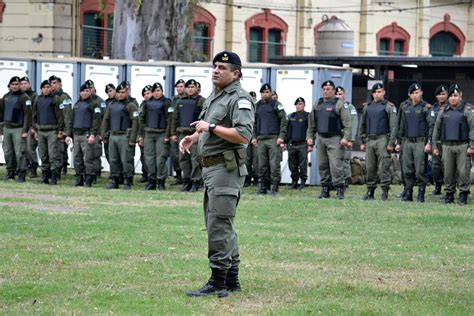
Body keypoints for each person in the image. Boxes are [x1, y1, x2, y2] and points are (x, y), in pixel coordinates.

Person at [181, 51, 254, 298]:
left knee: (218, 226)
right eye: (214, 66)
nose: (215, 70)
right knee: (222, 224)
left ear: (236, 73)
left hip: (226, 169)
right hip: (212, 169)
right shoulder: (215, 96)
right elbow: (207, 128)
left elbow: (243, 135)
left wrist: (211, 127)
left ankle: (218, 281)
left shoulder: (240, 99)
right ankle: (231, 279)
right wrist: (194, 136)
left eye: (222, 67)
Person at [306, 80, 352, 199]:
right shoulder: (318, 104)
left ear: (333, 90)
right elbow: (311, 123)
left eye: (329, 89)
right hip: (321, 138)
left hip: (335, 138)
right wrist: (310, 137)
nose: (326, 91)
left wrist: (346, 138)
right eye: (324, 89)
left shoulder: (339, 104)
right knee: (322, 165)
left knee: (336, 165)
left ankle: (339, 189)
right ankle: (325, 189)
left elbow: (347, 123)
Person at [432, 84, 474, 204]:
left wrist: (472, 146)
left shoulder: (467, 110)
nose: (453, 98)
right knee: (448, 171)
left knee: (463, 171)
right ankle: (449, 194)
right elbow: (437, 129)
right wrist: (435, 146)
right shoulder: (443, 111)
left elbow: (472, 129)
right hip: (447, 146)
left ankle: (463, 194)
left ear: (460, 95)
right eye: (451, 96)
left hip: (463, 146)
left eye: (455, 95)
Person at [358, 83, 397, 200]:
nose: (377, 94)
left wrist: (391, 143)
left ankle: (385, 190)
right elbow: (362, 125)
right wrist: (361, 140)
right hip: (370, 139)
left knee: (384, 166)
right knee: (370, 166)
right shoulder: (367, 107)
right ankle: (370, 190)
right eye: (375, 92)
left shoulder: (388, 107)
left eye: (379, 92)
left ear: (384, 92)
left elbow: (394, 126)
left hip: (382, 139)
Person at [395, 83, 431, 202]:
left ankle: (421, 194)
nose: (417, 95)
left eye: (419, 92)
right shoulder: (404, 106)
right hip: (406, 142)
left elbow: (431, 126)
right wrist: (398, 141)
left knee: (420, 169)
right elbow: (400, 124)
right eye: (414, 93)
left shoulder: (426, 107)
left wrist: (429, 143)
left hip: (420, 142)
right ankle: (408, 192)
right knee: (407, 169)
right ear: (409, 95)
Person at [101, 82, 139, 190]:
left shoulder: (131, 105)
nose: (121, 95)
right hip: (113, 135)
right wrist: (104, 135)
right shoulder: (111, 105)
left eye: (123, 92)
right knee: (113, 159)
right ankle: (115, 179)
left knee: (126, 159)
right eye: (119, 92)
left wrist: (132, 138)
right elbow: (106, 120)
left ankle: (128, 180)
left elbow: (135, 122)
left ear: (127, 93)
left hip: (124, 137)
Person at [171, 79, 206, 192]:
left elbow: (205, 118)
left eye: (192, 87)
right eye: (188, 87)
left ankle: (196, 181)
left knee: (195, 158)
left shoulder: (201, 101)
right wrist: (173, 133)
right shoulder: (180, 101)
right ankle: (186, 181)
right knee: (183, 158)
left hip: (196, 134)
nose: (190, 89)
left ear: (197, 88)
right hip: (182, 133)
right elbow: (175, 118)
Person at [252, 83, 287, 195]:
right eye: (263, 92)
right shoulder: (257, 106)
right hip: (261, 138)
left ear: (271, 93)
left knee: (274, 164)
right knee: (261, 165)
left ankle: (275, 187)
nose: (265, 94)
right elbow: (254, 123)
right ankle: (263, 187)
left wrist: (281, 136)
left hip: (273, 138)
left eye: (267, 92)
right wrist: (254, 137)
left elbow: (283, 122)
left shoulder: (277, 104)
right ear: (261, 93)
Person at [65, 83, 101, 187]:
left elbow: (96, 121)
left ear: (90, 92)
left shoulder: (94, 104)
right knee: (77, 158)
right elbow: (71, 120)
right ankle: (79, 178)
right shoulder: (76, 104)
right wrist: (68, 134)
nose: (85, 93)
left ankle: (89, 179)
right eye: (83, 91)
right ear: (80, 92)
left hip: (87, 134)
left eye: (87, 91)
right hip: (76, 134)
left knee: (88, 158)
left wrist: (93, 135)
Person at [138, 82, 172, 190]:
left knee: (160, 159)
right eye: (154, 91)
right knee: (149, 159)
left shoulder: (167, 102)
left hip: (161, 133)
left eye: (158, 90)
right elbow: (142, 120)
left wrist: (167, 135)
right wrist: (141, 136)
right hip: (149, 133)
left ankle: (161, 181)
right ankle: (151, 180)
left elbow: (169, 120)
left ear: (162, 91)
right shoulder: (147, 103)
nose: (156, 93)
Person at [32, 80, 64, 185]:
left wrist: (60, 130)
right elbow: (34, 115)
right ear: (41, 89)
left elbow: (60, 116)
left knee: (53, 154)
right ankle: (45, 175)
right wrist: (35, 129)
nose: (46, 89)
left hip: (52, 131)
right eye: (44, 87)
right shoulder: (38, 99)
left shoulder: (55, 99)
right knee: (43, 154)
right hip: (41, 130)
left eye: (48, 87)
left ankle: (54, 176)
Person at [0, 76, 32, 182]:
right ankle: (10, 172)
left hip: (19, 129)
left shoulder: (25, 97)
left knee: (20, 152)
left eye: (17, 84)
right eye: (12, 84)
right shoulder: (5, 97)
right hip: (7, 128)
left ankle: (22, 173)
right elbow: (1, 113)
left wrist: (25, 130)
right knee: (8, 152)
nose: (15, 86)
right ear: (10, 86)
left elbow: (28, 115)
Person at [335, 86, 358, 190]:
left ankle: (346, 181)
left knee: (345, 159)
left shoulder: (350, 107)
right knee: (335, 160)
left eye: (340, 94)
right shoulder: (333, 106)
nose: (338, 96)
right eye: (337, 94)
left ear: (344, 94)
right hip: (335, 137)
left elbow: (354, 123)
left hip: (346, 137)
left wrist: (351, 139)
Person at [49, 75, 73, 176]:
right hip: (52, 128)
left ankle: (62, 169)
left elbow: (67, 115)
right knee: (53, 151)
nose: (52, 86)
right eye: (51, 84)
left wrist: (67, 131)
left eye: (54, 83)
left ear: (60, 84)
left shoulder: (64, 97)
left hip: (61, 128)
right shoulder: (49, 96)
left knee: (61, 150)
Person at [84, 79, 106, 183]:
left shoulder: (100, 101)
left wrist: (102, 133)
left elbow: (104, 118)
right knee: (87, 154)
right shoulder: (84, 101)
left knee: (96, 153)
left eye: (91, 88)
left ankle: (96, 172)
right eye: (87, 89)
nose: (89, 90)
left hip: (96, 131)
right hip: (86, 131)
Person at [286, 97, 309, 189]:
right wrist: (285, 142)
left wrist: (310, 143)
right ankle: (294, 181)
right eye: (297, 104)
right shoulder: (291, 116)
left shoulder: (307, 116)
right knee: (292, 164)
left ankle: (303, 181)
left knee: (303, 164)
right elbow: (287, 130)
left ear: (304, 105)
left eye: (301, 104)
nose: (299, 106)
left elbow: (310, 130)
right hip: (292, 144)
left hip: (302, 144)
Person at [429, 85, 448, 195]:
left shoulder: (450, 107)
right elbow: (431, 126)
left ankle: (450, 188)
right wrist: (430, 142)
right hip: (436, 142)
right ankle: (437, 188)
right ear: (436, 96)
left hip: (447, 141)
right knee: (436, 166)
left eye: (444, 94)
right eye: (439, 94)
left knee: (448, 166)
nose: (441, 96)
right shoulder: (433, 108)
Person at [20, 76, 39, 178]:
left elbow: (34, 113)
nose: (23, 86)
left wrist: (33, 127)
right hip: (20, 126)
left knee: (30, 148)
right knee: (22, 149)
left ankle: (33, 168)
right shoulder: (19, 96)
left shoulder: (34, 96)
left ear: (29, 85)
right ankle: (24, 167)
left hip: (30, 126)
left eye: (25, 84)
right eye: (21, 84)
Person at [169, 79, 186, 185]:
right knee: (175, 155)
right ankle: (178, 176)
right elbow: (170, 117)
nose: (179, 88)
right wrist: (171, 133)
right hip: (174, 130)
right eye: (178, 87)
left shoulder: (187, 99)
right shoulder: (173, 100)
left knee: (185, 155)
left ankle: (188, 177)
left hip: (184, 130)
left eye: (181, 86)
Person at [138, 85, 153, 184]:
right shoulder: (143, 104)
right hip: (143, 133)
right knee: (143, 155)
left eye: (148, 93)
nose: (147, 96)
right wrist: (140, 136)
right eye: (145, 94)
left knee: (151, 156)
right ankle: (145, 174)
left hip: (151, 132)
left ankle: (151, 175)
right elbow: (140, 121)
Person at [244, 91, 258, 187]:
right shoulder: (245, 109)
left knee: (256, 160)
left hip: (255, 137)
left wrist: (254, 137)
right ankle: (247, 178)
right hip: (245, 137)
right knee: (246, 159)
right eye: (251, 98)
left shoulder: (259, 109)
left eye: (254, 98)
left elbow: (257, 125)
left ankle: (256, 178)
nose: (252, 99)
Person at [103, 83, 116, 163]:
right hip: (107, 130)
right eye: (107, 92)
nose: (109, 93)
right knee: (108, 152)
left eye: (111, 91)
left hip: (116, 129)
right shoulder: (106, 103)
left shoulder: (119, 101)